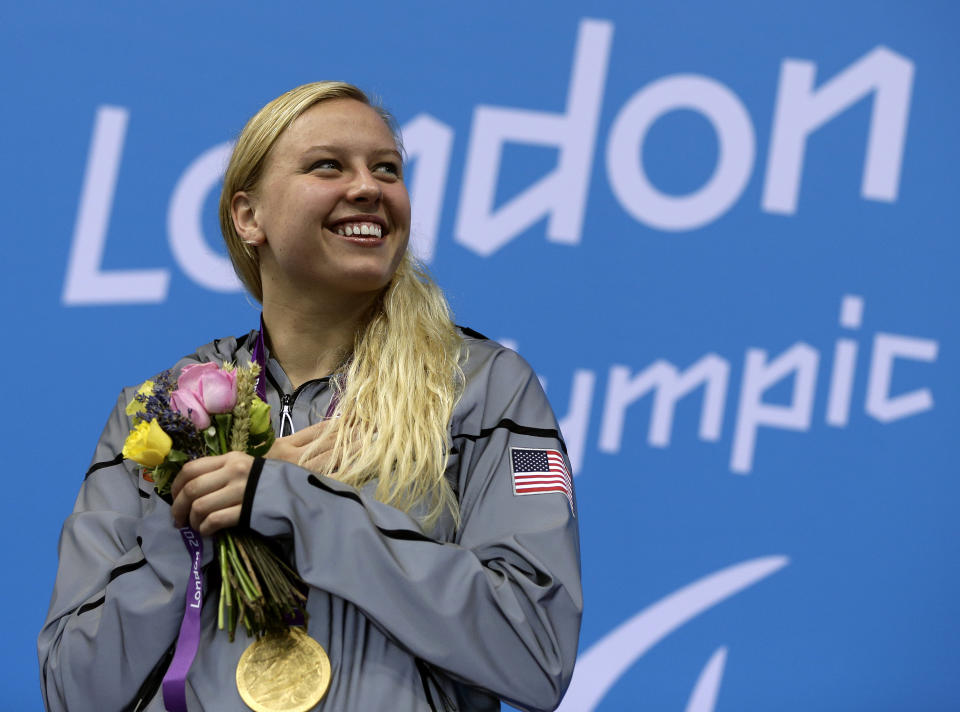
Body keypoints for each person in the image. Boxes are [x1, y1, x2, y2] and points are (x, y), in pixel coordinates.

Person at [38, 81, 582, 712]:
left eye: (387, 169)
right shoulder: (161, 413)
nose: (368, 188)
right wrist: (190, 529)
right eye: (328, 165)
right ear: (249, 217)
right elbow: (74, 690)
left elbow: (535, 650)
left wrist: (296, 503)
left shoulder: (485, 388)